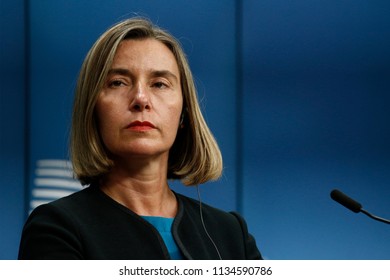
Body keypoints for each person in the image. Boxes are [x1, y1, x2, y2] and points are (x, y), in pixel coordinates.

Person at [18, 17, 262, 260]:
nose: (141, 99)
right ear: (92, 108)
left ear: (184, 113)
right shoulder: (55, 228)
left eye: (159, 84)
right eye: (118, 82)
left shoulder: (230, 233)